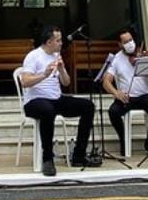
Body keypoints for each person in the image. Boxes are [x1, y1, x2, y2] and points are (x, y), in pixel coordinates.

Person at [21, 25, 101, 176]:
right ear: (48, 42)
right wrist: (44, 75)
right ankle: (47, 159)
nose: (61, 43)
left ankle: (79, 154)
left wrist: (62, 69)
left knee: (88, 106)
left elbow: (66, 83)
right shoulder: (33, 56)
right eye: (58, 40)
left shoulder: (56, 56)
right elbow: (25, 82)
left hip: (56, 99)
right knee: (47, 110)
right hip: (35, 101)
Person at [103, 27, 148, 158]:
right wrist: (116, 93)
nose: (130, 44)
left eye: (131, 40)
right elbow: (106, 81)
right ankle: (124, 139)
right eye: (125, 42)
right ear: (120, 44)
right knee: (113, 112)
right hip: (127, 97)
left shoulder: (144, 55)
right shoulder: (117, 59)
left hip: (145, 94)